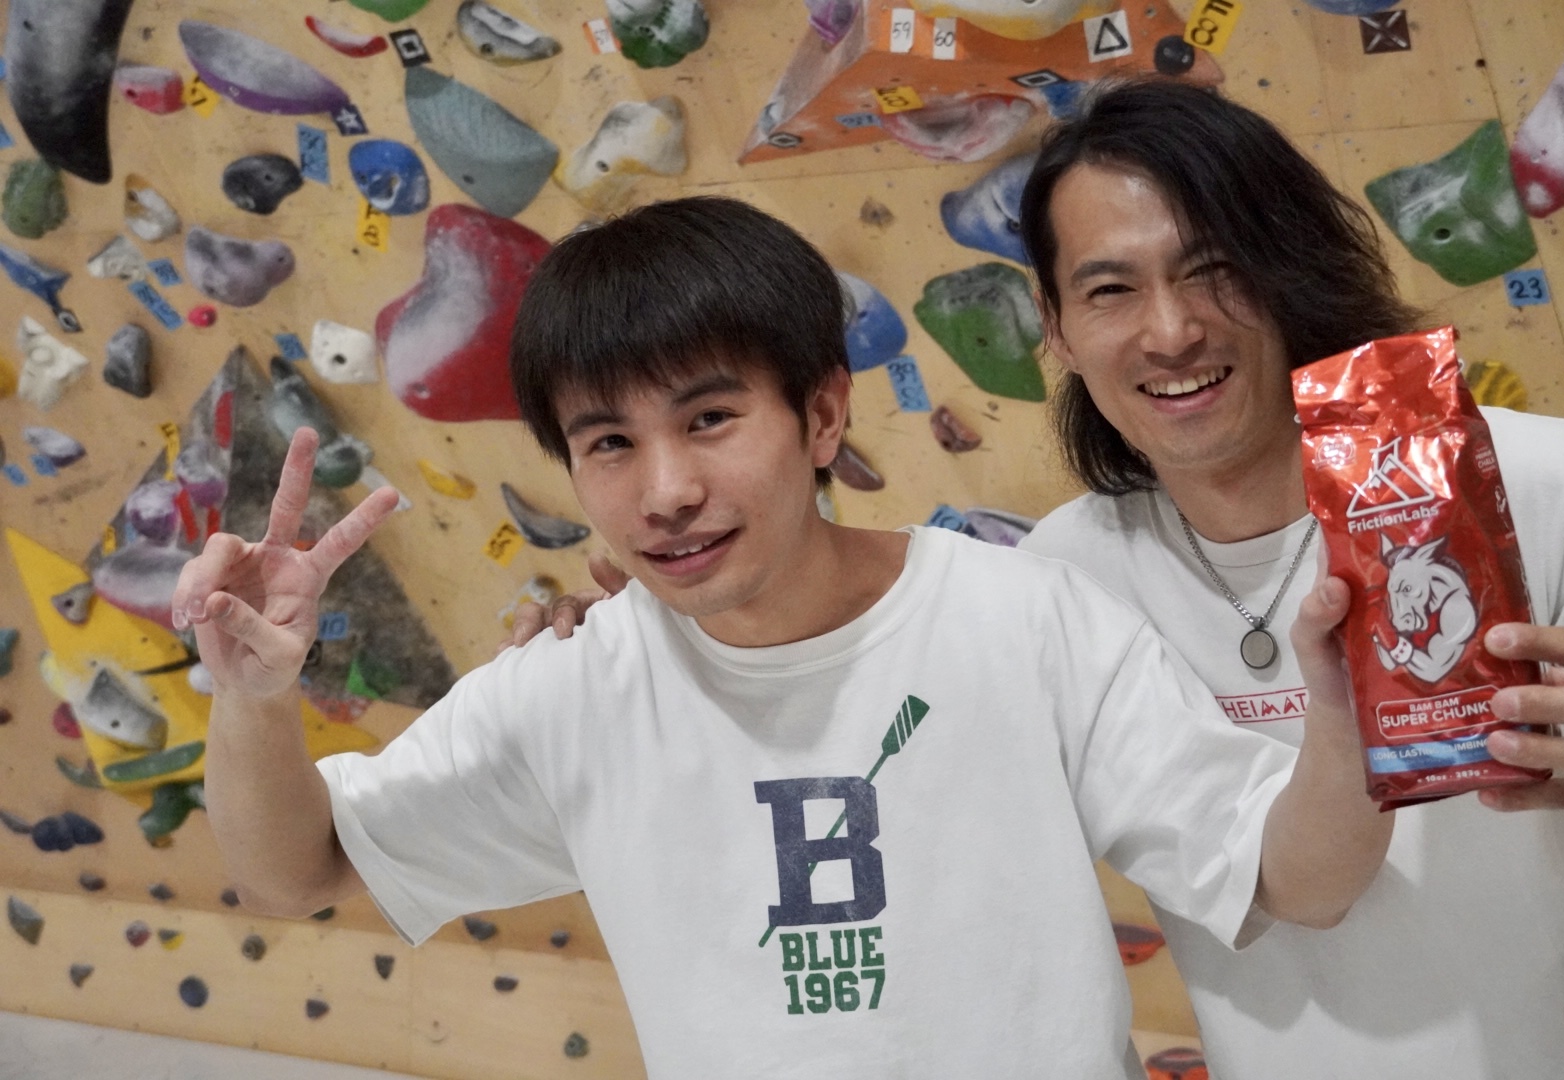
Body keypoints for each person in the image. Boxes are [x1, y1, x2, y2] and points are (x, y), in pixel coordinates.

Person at [176, 197, 1391, 1079]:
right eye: (609, 443)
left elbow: (1300, 881)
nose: (665, 491)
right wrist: (253, 696)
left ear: (819, 416)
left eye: (709, 419)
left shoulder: (1021, 618)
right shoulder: (573, 684)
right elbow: (297, 872)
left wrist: (1345, 708)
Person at [1014, 80, 1564, 1077]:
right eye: (1110, 290)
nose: (1171, 331)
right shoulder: (1062, 586)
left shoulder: (1542, 482)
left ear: (1287, 267)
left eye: (1213, 270)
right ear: (1056, 327)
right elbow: (1296, 887)